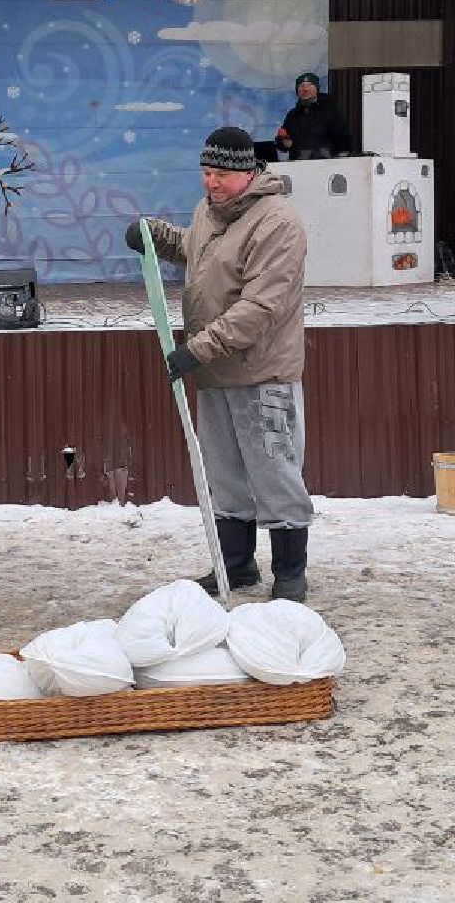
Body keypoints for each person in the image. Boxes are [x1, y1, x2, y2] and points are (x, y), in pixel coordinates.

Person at [125, 126, 315, 600]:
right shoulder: (211, 213)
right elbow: (196, 248)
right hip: (214, 372)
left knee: (275, 472)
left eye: (221, 175)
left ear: (248, 172)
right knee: (224, 473)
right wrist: (156, 236)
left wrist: (198, 348)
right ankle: (237, 565)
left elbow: (260, 308)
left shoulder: (277, 223)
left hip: (262, 372)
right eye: (206, 173)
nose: (211, 183)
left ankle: (290, 572)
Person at [276, 71, 351, 161]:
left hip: (326, 165)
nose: (305, 89)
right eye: (301, 86)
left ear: (317, 88)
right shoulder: (292, 115)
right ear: (297, 91)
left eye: (310, 85)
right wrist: (283, 143)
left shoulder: (330, 110)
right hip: (298, 166)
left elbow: (343, 139)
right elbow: (281, 142)